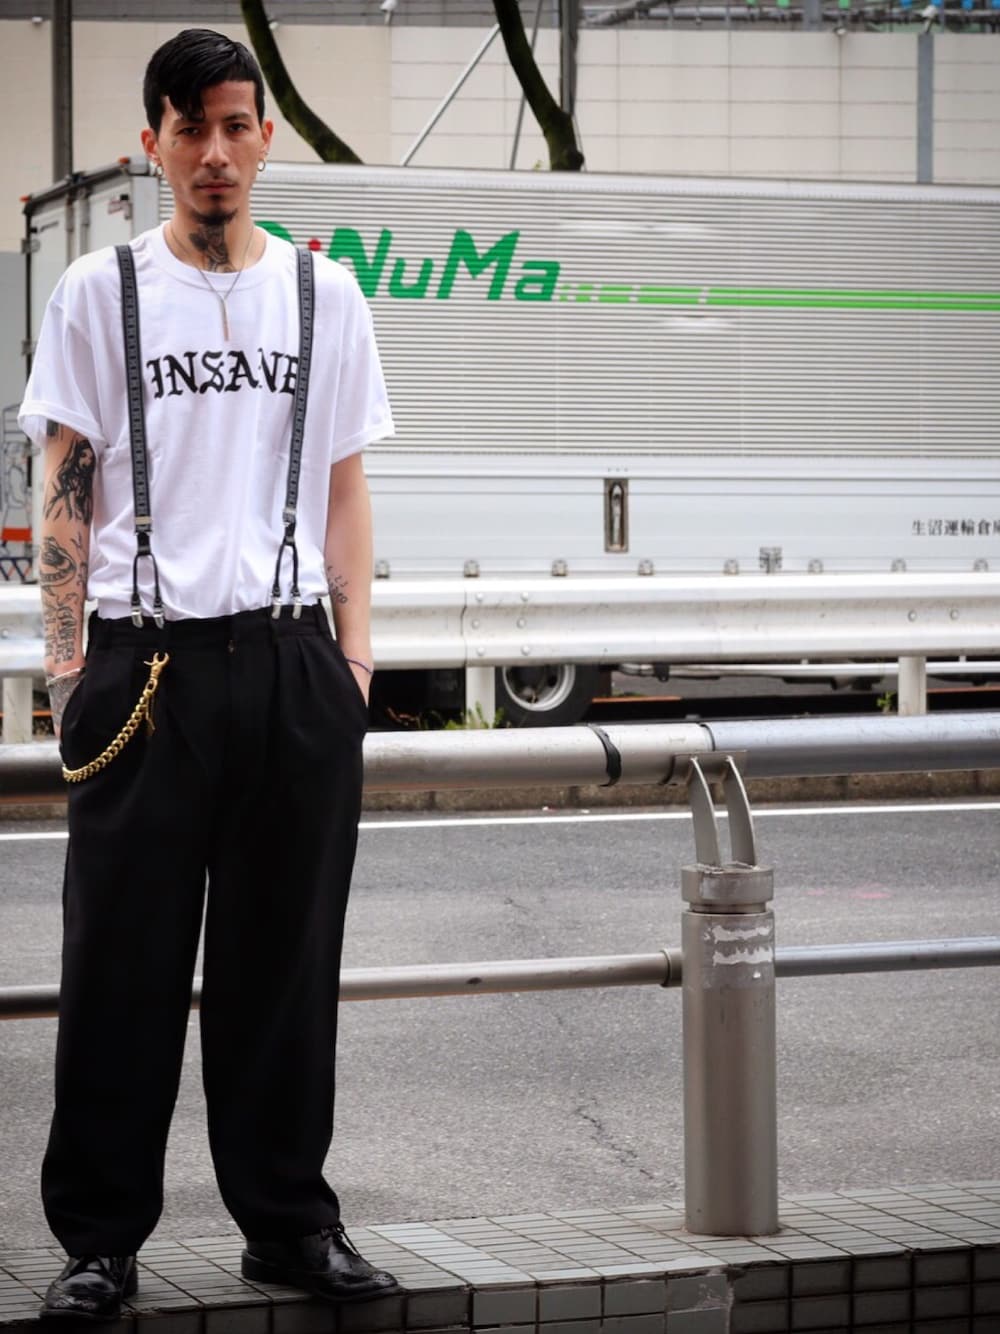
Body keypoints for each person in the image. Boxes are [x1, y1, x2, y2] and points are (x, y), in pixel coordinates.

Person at [19, 27, 400, 1324]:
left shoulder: (325, 296)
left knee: (284, 965)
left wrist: (354, 657)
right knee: (119, 966)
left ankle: (289, 1223)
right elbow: (63, 481)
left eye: (237, 125)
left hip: (291, 661)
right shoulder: (99, 294)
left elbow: (345, 483)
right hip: (142, 666)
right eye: (191, 129)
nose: (217, 152)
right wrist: (66, 666)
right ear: (154, 145)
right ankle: (99, 1241)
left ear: (265, 138)